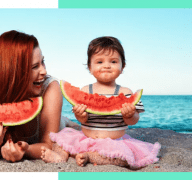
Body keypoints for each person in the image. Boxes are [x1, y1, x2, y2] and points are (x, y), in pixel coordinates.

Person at [41, 36, 161, 168]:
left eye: (113, 62)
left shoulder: (126, 92)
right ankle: (60, 156)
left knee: (124, 157)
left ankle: (89, 156)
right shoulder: (85, 91)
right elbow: (83, 120)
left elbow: (133, 121)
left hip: (115, 142)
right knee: (61, 140)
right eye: (99, 62)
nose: (107, 66)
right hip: (86, 139)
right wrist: (80, 115)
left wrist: (130, 115)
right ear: (89, 67)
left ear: (123, 66)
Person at [0, 30, 78, 162]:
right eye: (35, 66)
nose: (44, 71)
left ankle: (67, 121)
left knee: (65, 125)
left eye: (43, 61)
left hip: (56, 124)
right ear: (13, 71)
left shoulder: (50, 87)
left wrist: (25, 150)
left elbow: (49, 145)